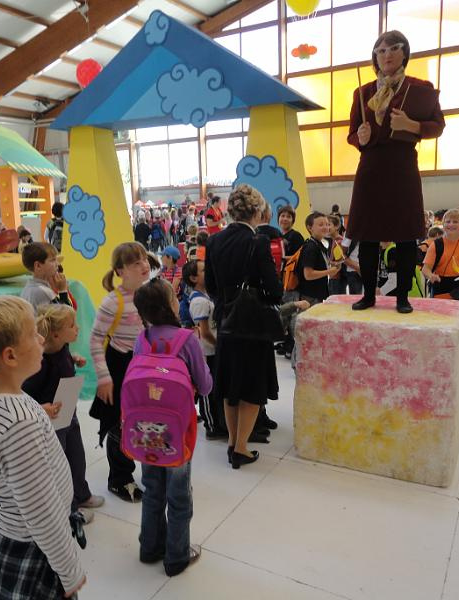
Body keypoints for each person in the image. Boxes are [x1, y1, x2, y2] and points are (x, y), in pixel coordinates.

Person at [0, 296, 86, 598]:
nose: (42, 339)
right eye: (33, 334)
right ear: (10, 356)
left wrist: (40, 414)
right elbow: (42, 513)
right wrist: (70, 571)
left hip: (1, 524)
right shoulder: (19, 424)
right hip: (30, 545)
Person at [346, 31, 445, 314]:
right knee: (367, 235)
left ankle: (403, 297)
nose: (386, 54)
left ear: (405, 53)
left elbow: (438, 126)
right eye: (381, 50)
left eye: (393, 48)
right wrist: (360, 138)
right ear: (375, 57)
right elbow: (351, 134)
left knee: (405, 235)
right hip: (370, 167)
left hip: (403, 167)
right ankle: (368, 295)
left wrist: (411, 125)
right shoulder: (363, 92)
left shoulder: (420, 88)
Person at [132, 278, 212, 576]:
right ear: (169, 305)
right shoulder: (186, 339)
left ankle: (149, 547)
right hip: (178, 433)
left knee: (152, 488)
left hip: (144, 430)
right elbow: (205, 386)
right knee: (178, 495)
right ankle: (176, 557)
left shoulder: (142, 338)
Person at [204, 184, 283, 469]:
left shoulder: (214, 241)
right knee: (252, 386)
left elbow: (211, 285)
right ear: (258, 211)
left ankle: (231, 442)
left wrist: (227, 302)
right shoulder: (258, 242)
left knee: (230, 384)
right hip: (253, 324)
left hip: (226, 320)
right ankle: (240, 448)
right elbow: (275, 291)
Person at [22, 303, 104, 523]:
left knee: (77, 456)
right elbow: (22, 396)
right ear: (56, 334)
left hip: (68, 407)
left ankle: (81, 494)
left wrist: (73, 359)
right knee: (60, 465)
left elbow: (63, 358)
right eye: (72, 325)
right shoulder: (39, 363)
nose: (78, 328)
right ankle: (69, 510)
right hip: (51, 419)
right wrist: (42, 408)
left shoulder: (62, 346)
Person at [89, 242, 155, 502]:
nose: (144, 266)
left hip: (145, 365)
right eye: (136, 263)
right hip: (120, 366)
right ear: (120, 271)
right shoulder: (112, 302)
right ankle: (120, 478)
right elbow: (95, 340)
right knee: (119, 423)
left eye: (144, 260)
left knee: (145, 419)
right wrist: (104, 378)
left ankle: (151, 468)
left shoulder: (150, 293)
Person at [181, 259, 225, 440]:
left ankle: (217, 421)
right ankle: (211, 426)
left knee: (215, 387)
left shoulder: (206, 296)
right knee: (207, 389)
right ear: (193, 278)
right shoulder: (199, 301)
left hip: (212, 350)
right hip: (206, 351)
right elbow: (205, 332)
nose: (209, 272)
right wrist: (219, 345)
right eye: (204, 270)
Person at [296, 212, 335, 305]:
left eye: (327, 224)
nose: (325, 227)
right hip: (309, 296)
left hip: (317, 294)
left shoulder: (319, 244)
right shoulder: (311, 247)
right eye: (321, 225)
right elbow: (308, 274)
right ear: (310, 228)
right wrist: (329, 271)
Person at [20, 242, 72, 311]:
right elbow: (66, 315)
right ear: (38, 265)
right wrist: (63, 291)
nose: (57, 264)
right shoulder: (42, 292)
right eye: (52, 260)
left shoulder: (28, 288)